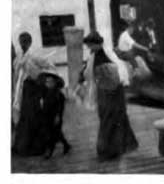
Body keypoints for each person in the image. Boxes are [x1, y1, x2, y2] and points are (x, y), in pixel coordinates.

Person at [83, 31, 138, 161]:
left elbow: (120, 67)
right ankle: (111, 148)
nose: (89, 48)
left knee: (113, 116)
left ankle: (106, 150)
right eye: (88, 45)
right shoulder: (93, 56)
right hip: (103, 90)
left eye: (91, 45)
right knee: (105, 116)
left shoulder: (108, 52)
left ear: (98, 43)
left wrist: (123, 82)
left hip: (114, 90)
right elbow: (88, 72)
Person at [12, 32, 55, 156]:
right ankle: (20, 146)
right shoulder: (19, 57)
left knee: (33, 116)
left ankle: (35, 147)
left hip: (33, 89)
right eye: (21, 41)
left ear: (30, 42)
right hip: (22, 89)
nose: (23, 44)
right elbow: (16, 72)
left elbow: (49, 65)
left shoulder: (34, 55)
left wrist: (41, 79)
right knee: (22, 117)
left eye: (25, 41)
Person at [39, 70, 71, 159]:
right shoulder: (46, 92)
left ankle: (49, 151)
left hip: (55, 117)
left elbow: (60, 107)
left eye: (50, 82)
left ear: (55, 83)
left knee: (52, 134)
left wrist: (57, 116)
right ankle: (66, 145)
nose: (48, 84)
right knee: (56, 133)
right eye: (47, 82)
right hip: (47, 116)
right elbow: (44, 102)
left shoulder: (59, 94)